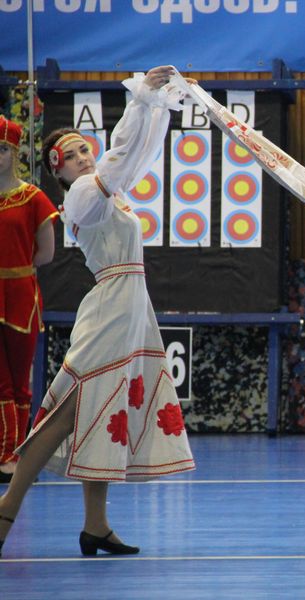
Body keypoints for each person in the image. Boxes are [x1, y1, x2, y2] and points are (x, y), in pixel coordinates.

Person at [0, 66, 196, 558]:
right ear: (58, 170)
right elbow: (122, 156)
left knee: (103, 411)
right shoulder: (83, 197)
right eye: (72, 155)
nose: (84, 157)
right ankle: (7, 506)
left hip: (130, 306)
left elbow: (140, 153)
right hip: (110, 308)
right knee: (68, 413)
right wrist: (140, 100)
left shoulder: (112, 189)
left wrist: (155, 105)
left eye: (86, 148)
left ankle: (95, 526)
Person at [0, 115, 58, 484]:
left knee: (19, 381)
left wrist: (17, 268)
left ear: (15, 151)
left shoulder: (33, 198)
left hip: (21, 294)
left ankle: (16, 453)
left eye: (2, 149)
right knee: (1, 381)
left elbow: (46, 254)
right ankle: (6, 453)